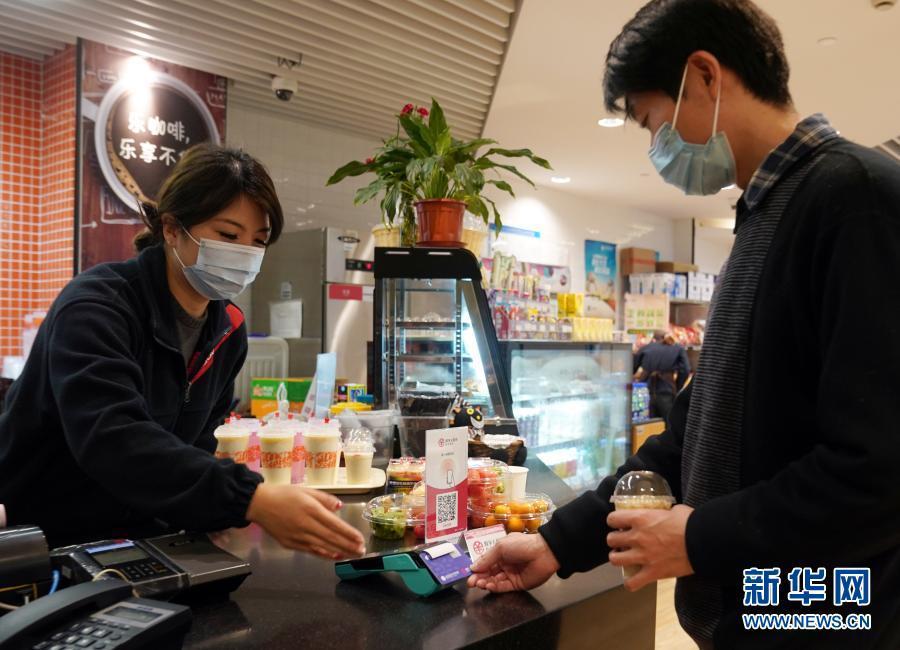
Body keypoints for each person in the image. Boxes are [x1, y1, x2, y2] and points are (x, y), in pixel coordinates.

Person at [469, 1, 900, 647]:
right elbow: (695, 433)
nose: (656, 146)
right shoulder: (766, 215)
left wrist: (700, 536)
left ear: (704, 75)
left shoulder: (857, 199)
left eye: (652, 122)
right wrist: (557, 543)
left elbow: (879, 467)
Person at [0, 143, 366, 561]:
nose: (245, 252)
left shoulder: (227, 329)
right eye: (228, 235)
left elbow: (195, 446)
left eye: (258, 241)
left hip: (139, 543)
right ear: (172, 229)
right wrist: (250, 499)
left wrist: (206, 515)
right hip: (42, 545)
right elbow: (113, 439)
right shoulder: (98, 306)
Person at [633, 330, 691, 420]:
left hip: (645, 394)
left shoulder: (645, 348)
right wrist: (678, 386)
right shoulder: (677, 348)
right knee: (669, 425)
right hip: (666, 391)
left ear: (653, 338)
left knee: (647, 425)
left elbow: (632, 368)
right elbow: (686, 370)